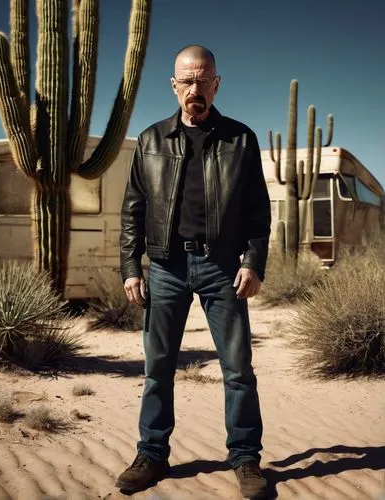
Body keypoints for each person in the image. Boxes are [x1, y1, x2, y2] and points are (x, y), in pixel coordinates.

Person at [116, 45, 271, 499]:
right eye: (187, 81)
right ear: (174, 85)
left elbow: (259, 212)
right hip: (166, 267)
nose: (195, 89)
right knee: (157, 368)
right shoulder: (150, 140)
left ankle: (245, 459)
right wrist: (131, 267)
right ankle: (151, 453)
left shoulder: (240, 139)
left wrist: (253, 262)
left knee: (238, 369)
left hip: (223, 268)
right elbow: (133, 211)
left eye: (204, 80)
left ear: (217, 83)